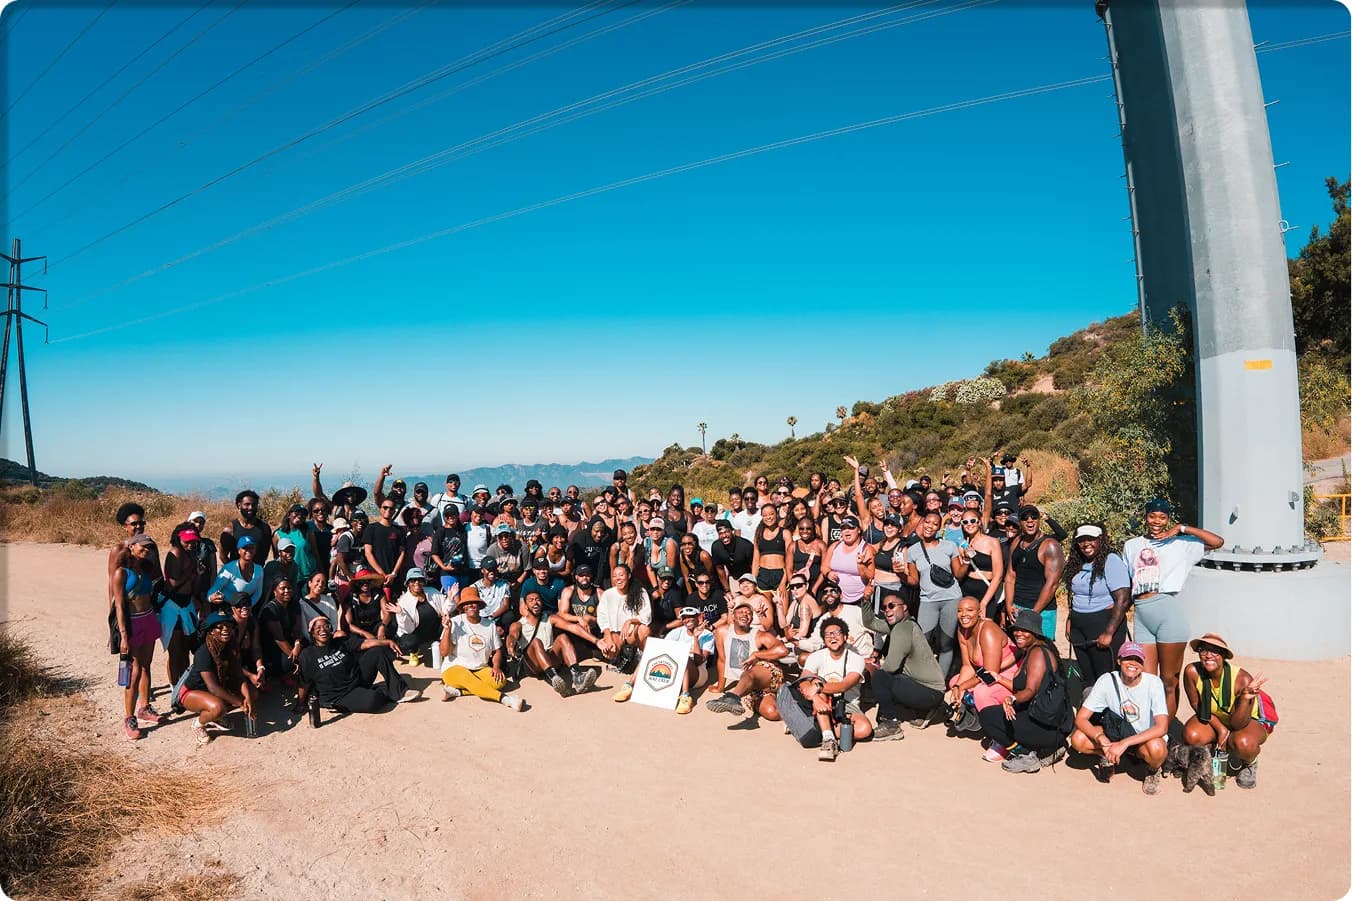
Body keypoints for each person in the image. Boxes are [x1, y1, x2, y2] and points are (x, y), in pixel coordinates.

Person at [1122, 498, 1225, 719]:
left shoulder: (1182, 543)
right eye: (1152, 516)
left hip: (1168, 612)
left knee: (1169, 680)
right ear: (1145, 517)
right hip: (1141, 614)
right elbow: (1127, 582)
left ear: (1168, 519)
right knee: (1146, 680)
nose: (1156, 521)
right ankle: (1149, 729)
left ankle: (1164, 732)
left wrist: (1181, 528)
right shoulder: (1132, 545)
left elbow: (1218, 541)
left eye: (1162, 517)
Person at [1069, 641, 1170, 795]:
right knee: (1078, 739)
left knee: (1157, 749)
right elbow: (1081, 718)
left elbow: (1162, 727)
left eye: (1137, 660)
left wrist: (1125, 743)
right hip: (1116, 732)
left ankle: (1152, 770)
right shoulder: (1107, 680)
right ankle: (1108, 754)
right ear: (1119, 661)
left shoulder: (1153, 683)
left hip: (1143, 738)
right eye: (1127, 658)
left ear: (1143, 664)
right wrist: (1101, 738)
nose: (1133, 663)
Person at [979, 609, 1072, 774]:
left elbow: (1030, 690)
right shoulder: (1033, 649)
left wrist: (1011, 699)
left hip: (1047, 727)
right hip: (1045, 720)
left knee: (988, 717)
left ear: (1035, 633)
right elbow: (1026, 687)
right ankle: (1047, 748)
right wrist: (999, 679)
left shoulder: (1038, 653)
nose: (1018, 633)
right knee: (996, 714)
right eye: (1017, 629)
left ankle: (1026, 755)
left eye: (1025, 630)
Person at [1180, 634, 1270, 794]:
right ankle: (1212, 752)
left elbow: (1237, 724)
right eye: (1204, 650)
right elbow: (1196, 705)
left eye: (1215, 651)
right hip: (1213, 717)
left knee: (1244, 743)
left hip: (1244, 721)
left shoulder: (1242, 679)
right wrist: (1221, 729)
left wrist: (1243, 699)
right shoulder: (1192, 671)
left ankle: (1249, 762)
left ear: (1223, 655)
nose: (1208, 655)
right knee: (1191, 735)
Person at [863, 593, 947, 740]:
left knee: (881, 677)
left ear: (905, 607)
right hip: (934, 692)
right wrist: (865, 601)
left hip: (929, 692)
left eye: (891, 606)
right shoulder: (907, 623)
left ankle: (891, 724)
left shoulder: (902, 629)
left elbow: (890, 667)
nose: (887, 610)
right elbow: (871, 623)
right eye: (884, 608)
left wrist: (875, 665)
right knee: (889, 678)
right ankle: (925, 711)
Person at [297, 616, 418, 717]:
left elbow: (365, 643)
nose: (323, 630)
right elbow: (304, 682)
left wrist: (387, 642)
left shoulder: (340, 642)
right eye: (318, 628)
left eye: (326, 626)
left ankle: (399, 692)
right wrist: (300, 703)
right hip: (339, 695)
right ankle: (380, 691)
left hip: (357, 680)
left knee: (377, 651)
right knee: (373, 701)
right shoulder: (308, 655)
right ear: (312, 633)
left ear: (331, 629)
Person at [947, 595, 1019, 756]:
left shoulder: (987, 630)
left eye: (970, 610)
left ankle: (1002, 738)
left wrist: (964, 686)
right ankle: (978, 719)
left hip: (1007, 676)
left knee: (981, 691)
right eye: (960, 611)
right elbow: (968, 665)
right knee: (954, 682)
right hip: (988, 672)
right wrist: (959, 687)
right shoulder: (962, 629)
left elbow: (989, 675)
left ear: (980, 612)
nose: (964, 615)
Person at [1064, 523, 1131, 687]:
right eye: (1081, 540)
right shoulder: (1077, 563)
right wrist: (1070, 619)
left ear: (1101, 540)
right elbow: (1076, 595)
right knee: (1088, 676)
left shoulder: (1111, 561)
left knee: (1106, 676)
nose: (1086, 544)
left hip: (1103, 624)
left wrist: (1109, 632)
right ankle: (1092, 710)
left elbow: (1123, 599)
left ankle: (1108, 712)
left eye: (1091, 539)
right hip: (1079, 625)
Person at [704, 599, 791, 726]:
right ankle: (790, 703)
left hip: (768, 675)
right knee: (772, 713)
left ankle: (732, 698)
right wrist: (720, 687)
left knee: (749, 672)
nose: (745, 614)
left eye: (749, 613)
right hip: (749, 688)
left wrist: (757, 654)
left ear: (751, 619)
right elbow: (722, 660)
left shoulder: (759, 635)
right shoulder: (722, 631)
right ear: (733, 616)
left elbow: (783, 650)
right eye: (741, 611)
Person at [437, 587, 524, 710]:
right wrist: (447, 630)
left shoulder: (490, 625)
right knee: (466, 677)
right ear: (463, 608)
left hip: (479, 668)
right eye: (466, 604)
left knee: (500, 681)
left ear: (479, 605)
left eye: (473, 602)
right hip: (455, 668)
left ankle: (458, 692)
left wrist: (496, 667)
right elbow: (444, 652)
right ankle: (505, 699)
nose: (471, 606)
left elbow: (497, 650)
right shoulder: (455, 622)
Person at [177, 611, 257, 746]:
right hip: (191, 693)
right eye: (220, 627)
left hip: (217, 688)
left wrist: (247, 698)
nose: (225, 630)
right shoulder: (203, 652)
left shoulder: (230, 647)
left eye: (229, 626)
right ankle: (198, 724)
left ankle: (216, 717)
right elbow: (213, 688)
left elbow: (238, 675)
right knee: (218, 707)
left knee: (253, 693)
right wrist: (240, 703)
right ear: (211, 631)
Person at [904, 512, 967, 676]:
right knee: (921, 642)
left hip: (951, 598)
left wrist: (966, 560)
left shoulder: (949, 546)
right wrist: (900, 574)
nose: (929, 526)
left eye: (934, 524)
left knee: (945, 643)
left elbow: (959, 574)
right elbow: (914, 581)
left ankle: (941, 681)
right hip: (927, 601)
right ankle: (922, 676)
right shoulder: (912, 551)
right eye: (927, 522)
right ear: (922, 523)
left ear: (939, 528)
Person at [113, 534, 163, 740]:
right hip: (132, 623)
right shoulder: (121, 573)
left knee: (146, 666)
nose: (147, 550)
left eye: (149, 548)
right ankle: (129, 717)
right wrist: (123, 635)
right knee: (132, 672)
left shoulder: (146, 569)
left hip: (148, 619)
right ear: (131, 547)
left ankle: (144, 707)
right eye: (143, 547)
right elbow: (118, 605)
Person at [800, 617, 873, 753]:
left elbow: (844, 685)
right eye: (828, 634)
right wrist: (815, 696)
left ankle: (817, 728)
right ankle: (828, 740)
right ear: (824, 639)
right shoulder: (816, 656)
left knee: (865, 728)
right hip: (820, 701)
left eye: (837, 633)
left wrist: (818, 687)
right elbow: (803, 681)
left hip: (847, 705)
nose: (832, 637)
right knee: (817, 686)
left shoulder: (856, 659)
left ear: (845, 636)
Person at [506, 589, 598, 697]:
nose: (535, 602)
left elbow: (572, 627)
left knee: (563, 637)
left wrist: (596, 641)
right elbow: (512, 636)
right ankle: (554, 678)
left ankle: (577, 676)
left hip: (550, 657)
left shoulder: (550, 618)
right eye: (531, 600)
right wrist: (510, 646)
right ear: (525, 605)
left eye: (538, 600)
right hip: (533, 664)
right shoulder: (519, 624)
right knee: (536, 642)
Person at [1003, 505, 1064, 642]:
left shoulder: (1050, 546)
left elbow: (1052, 584)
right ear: (1020, 522)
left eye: (1034, 517)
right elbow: (1010, 576)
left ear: (1039, 520)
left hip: (1042, 611)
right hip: (1017, 607)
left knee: (1042, 652)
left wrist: (1033, 613)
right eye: (1025, 518)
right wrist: (1008, 605)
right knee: (1020, 653)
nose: (1030, 521)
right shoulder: (1016, 542)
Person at [160, 523, 205, 686]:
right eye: (187, 541)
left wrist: (198, 575)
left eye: (193, 541)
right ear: (178, 539)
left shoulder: (191, 555)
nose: (191, 544)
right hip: (172, 606)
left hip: (186, 605)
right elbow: (171, 583)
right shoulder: (175, 553)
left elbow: (193, 585)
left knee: (186, 649)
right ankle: (175, 687)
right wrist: (192, 572)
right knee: (175, 651)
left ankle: (184, 686)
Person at [599, 564, 652, 691]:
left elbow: (647, 616)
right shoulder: (607, 594)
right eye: (614, 576)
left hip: (632, 632)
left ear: (628, 576)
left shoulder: (640, 592)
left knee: (645, 630)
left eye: (621, 575)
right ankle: (621, 657)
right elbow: (602, 617)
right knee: (609, 651)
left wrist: (630, 620)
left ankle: (642, 657)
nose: (618, 579)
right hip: (615, 633)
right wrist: (608, 637)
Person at [389, 568, 453, 664]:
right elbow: (408, 630)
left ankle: (443, 647)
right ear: (408, 583)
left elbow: (445, 611)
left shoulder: (433, 591)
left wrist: (450, 600)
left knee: (450, 623)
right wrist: (401, 614)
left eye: (420, 579)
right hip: (416, 633)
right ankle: (414, 652)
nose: (417, 582)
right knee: (409, 642)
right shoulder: (403, 601)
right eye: (413, 580)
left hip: (433, 629)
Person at [665, 606, 715, 714]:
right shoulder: (677, 631)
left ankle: (685, 696)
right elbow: (663, 648)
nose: (688, 620)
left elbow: (699, 661)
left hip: (698, 674)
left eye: (691, 617)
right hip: (677, 670)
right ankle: (630, 685)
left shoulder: (707, 635)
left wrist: (695, 638)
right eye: (685, 618)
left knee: (684, 657)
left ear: (698, 618)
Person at [824, 515, 875, 607]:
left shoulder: (867, 549)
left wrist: (861, 565)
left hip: (859, 600)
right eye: (843, 528)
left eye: (851, 528)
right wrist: (828, 573)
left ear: (859, 530)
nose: (847, 531)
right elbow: (824, 566)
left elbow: (871, 576)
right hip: (837, 599)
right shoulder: (834, 546)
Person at [364, 497, 407, 599]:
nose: (388, 510)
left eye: (391, 509)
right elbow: (368, 553)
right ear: (380, 509)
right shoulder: (371, 529)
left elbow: (402, 553)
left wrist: (393, 573)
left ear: (394, 511)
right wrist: (381, 573)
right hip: (375, 577)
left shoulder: (399, 531)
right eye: (385, 507)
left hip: (394, 579)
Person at [751, 500, 791, 596]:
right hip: (763, 576)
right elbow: (755, 560)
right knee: (766, 610)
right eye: (765, 515)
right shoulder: (758, 534)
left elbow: (790, 561)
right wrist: (753, 581)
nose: (768, 517)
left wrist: (783, 582)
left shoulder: (785, 533)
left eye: (771, 514)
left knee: (782, 609)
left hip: (780, 575)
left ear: (776, 515)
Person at [221, 490, 273, 564]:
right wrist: (233, 570)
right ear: (239, 505)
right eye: (247, 504)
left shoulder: (264, 528)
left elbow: (264, 554)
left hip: (257, 573)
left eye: (254, 504)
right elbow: (223, 556)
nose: (250, 507)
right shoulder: (230, 530)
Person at [710, 520, 754, 592]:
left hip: (748, 577)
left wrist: (753, 583)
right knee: (735, 601)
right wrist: (727, 590)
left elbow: (753, 566)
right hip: (733, 577)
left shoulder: (746, 545)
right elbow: (720, 569)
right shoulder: (716, 547)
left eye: (726, 532)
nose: (724, 536)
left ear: (732, 531)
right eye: (720, 533)